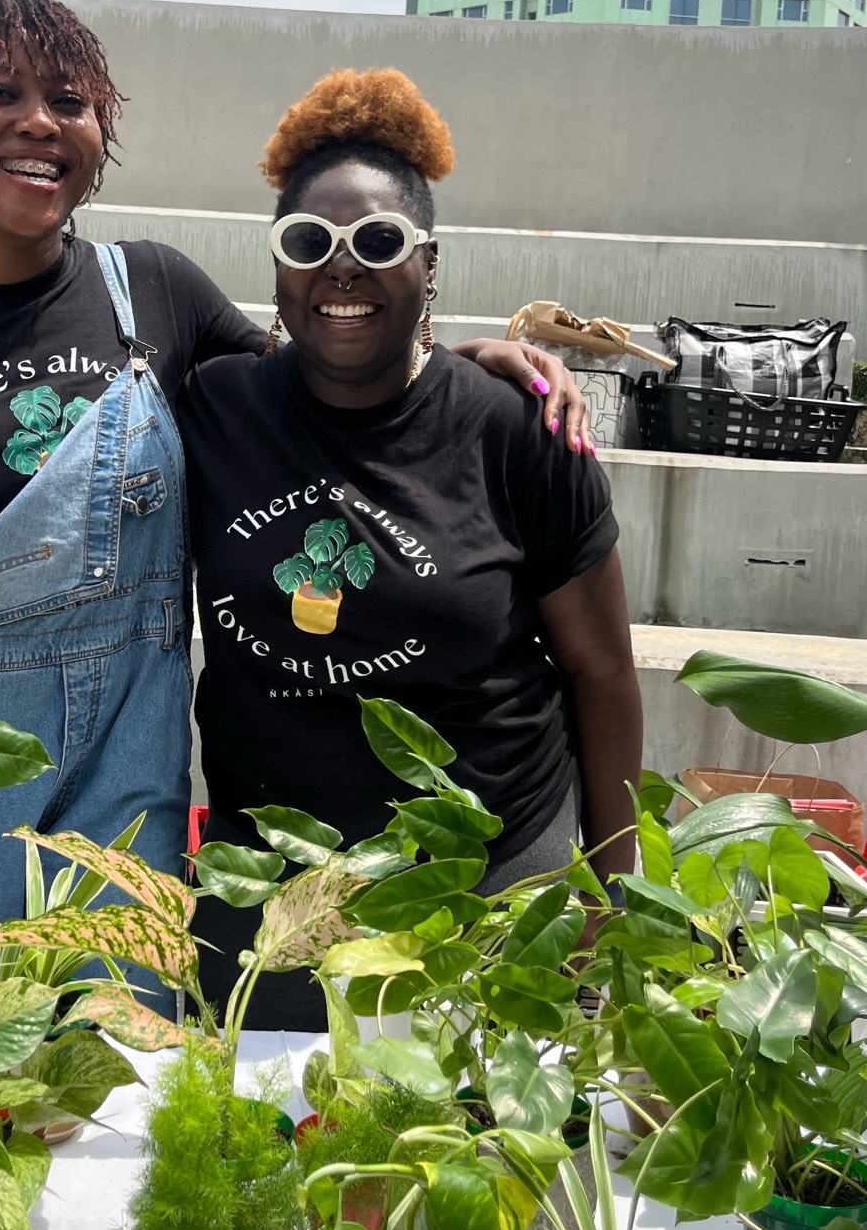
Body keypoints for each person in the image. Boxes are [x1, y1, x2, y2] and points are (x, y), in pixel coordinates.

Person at [0, 0, 595, 967]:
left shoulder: (156, 292)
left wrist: (455, 360)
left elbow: (315, 397)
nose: (39, 122)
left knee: (116, 1089)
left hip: (127, 773)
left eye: (69, 102)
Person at [180, 68, 642, 1029]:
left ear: (429, 263)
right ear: (276, 267)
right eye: (310, 243)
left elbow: (601, 671)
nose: (341, 268)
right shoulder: (216, 410)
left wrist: (610, 893)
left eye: (379, 242)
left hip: (488, 888)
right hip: (270, 894)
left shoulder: (519, 432)